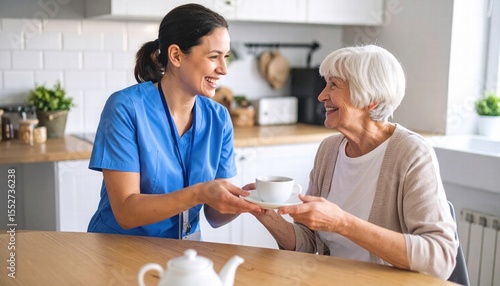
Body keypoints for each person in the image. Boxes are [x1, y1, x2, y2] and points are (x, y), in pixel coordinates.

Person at [248, 45, 458, 279]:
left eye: (334, 85)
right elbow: (308, 243)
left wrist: (343, 223)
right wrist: (264, 212)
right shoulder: (329, 150)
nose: (321, 96)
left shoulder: (411, 153)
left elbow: (440, 257)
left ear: (371, 99)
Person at [87, 3, 261, 239]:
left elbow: (214, 216)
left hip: (185, 254)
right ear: (176, 55)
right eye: (213, 57)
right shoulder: (125, 108)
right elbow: (126, 213)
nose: (223, 69)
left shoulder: (218, 118)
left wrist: (249, 202)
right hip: (121, 250)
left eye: (226, 58)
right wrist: (200, 193)